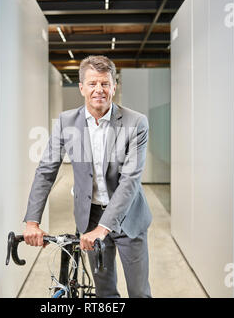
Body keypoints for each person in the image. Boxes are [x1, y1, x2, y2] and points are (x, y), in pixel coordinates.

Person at [23, 55, 152, 298]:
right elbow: (46, 171)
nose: (99, 90)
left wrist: (103, 228)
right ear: (81, 87)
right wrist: (32, 221)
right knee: (104, 292)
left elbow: (130, 181)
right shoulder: (66, 122)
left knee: (139, 292)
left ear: (114, 86)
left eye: (105, 83)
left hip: (128, 218)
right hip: (90, 216)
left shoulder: (136, 123)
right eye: (92, 83)